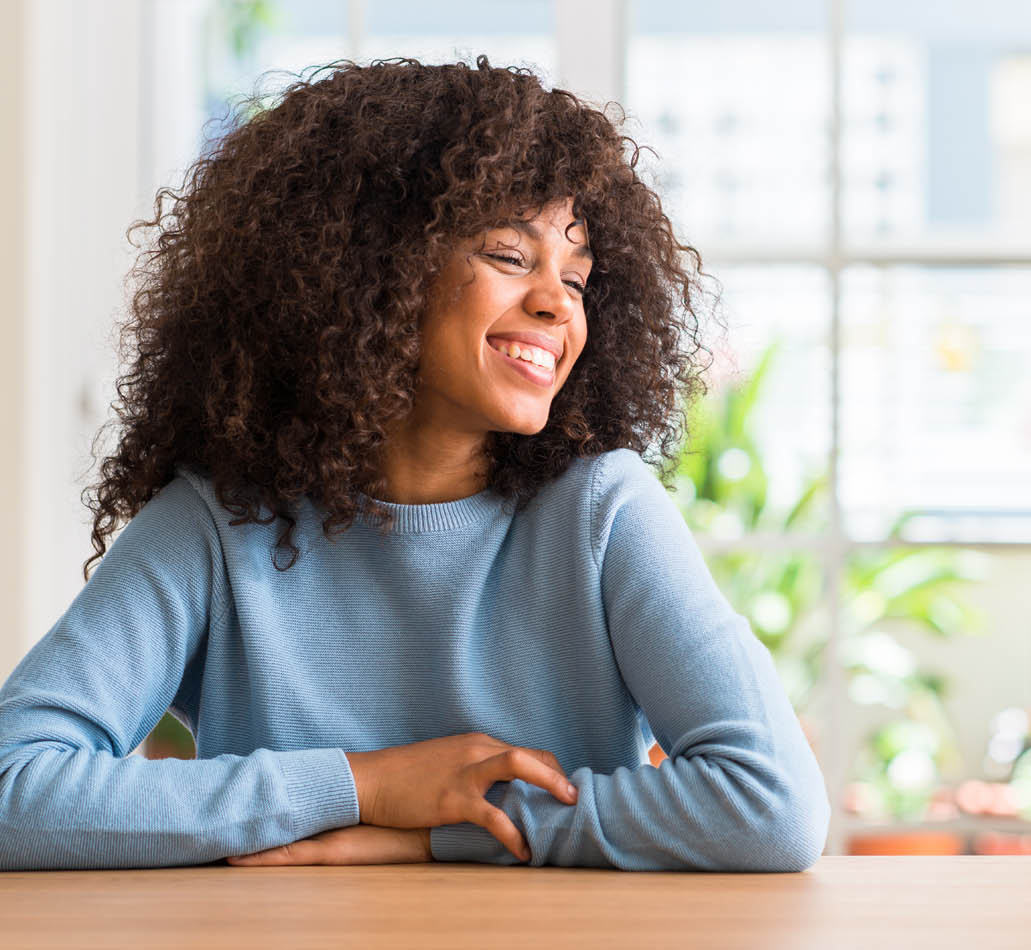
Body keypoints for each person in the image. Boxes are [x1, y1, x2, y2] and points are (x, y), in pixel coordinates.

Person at [0, 57, 829, 871]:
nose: (556, 303)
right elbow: (13, 784)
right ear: (371, 267)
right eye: (509, 255)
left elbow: (773, 804)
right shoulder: (216, 525)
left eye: (577, 280)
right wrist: (365, 785)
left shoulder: (602, 513)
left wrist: (450, 829)